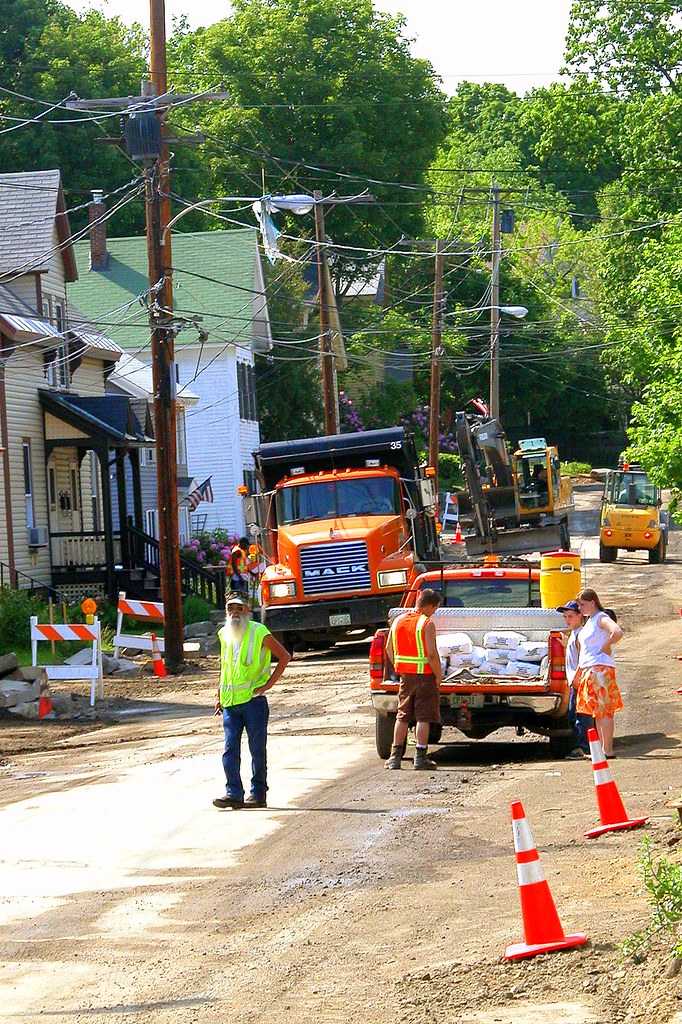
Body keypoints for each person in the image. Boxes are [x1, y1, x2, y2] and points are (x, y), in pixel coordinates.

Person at [213, 592, 291, 809]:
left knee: (257, 750)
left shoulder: (259, 631)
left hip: (253, 702)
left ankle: (258, 794)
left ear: (247, 609)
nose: (234, 613)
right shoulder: (224, 634)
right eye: (230, 608)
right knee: (230, 750)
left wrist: (269, 685)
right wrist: (218, 695)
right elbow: (225, 666)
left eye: (239, 608)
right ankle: (233, 793)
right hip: (230, 703)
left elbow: (284, 656)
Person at [384, 588, 443, 771]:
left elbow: (388, 648)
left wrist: (399, 666)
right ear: (430, 606)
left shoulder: (397, 621)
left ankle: (395, 758)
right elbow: (431, 654)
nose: (434, 612)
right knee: (423, 717)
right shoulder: (427, 624)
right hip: (425, 677)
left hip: (405, 677)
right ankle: (420, 757)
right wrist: (438, 676)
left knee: (402, 716)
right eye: (435, 608)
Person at [574, 588, 624, 759]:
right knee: (598, 711)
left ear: (592, 602)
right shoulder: (590, 621)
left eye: (582, 604)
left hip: (600, 669)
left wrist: (606, 646)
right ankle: (603, 750)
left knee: (604, 710)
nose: (580, 608)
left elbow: (617, 632)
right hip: (591, 669)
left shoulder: (601, 618)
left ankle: (607, 750)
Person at [557, 599, 594, 759]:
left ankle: (583, 748)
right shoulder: (574, 634)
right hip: (575, 681)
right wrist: (566, 644)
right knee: (574, 715)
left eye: (570, 616)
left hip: (579, 681)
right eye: (565, 617)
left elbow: (583, 658)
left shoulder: (581, 634)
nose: (567, 620)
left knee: (581, 716)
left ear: (580, 616)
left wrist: (577, 678)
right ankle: (582, 746)